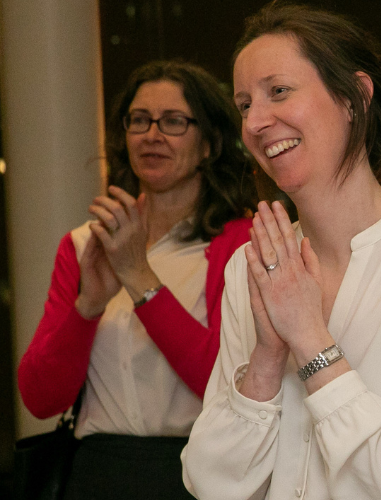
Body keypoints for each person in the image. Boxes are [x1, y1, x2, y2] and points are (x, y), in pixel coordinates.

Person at [181, 5, 381, 500]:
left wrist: (307, 337)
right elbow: (210, 482)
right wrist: (266, 359)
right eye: (244, 105)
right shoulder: (256, 263)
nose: (256, 122)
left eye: (278, 91)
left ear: (355, 98)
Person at [17, 60, 257, 499]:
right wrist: (88, 307)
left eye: (174, 121)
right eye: (140, 120)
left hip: (197, 474)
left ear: (210, 144)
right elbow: (39, 398)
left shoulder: (241, 244)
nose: (152, 135)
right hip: (95, 474)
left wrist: (138, 276)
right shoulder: (86, 244)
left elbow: (226, 383)